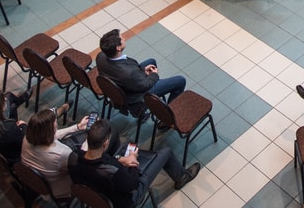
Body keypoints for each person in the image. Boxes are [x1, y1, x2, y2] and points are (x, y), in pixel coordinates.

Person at [68, 118, 199, 208]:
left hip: (99, 193)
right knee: (166, 153)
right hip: (125, 201)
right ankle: (182, 177)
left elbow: (104, 162)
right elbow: (133, 185)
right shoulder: (113, 172)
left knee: (122, 151)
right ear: (105, 143)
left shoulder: (73, 158)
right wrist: (133, 160)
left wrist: (120, 160)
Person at [94, 28, 187, 110]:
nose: (124, 38)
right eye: (122, 38)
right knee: (180, 80)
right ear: (118, 48)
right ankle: (167, 115)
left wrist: (142, 70)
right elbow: (144, 85)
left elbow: (131, 74)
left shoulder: (100, 56)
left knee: (151, 61)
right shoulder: (129, 73)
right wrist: (154, 75)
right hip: (137, 94)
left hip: (124, 83)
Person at [20, 108, 97, 202]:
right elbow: (82, 160)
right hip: (60, 191)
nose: (56, 123)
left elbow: (54, 136)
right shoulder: (63, 154)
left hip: (37, 179)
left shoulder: (26, 139)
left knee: (80, 133)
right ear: (49, 132)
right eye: (55, 123)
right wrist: (90, 139)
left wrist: (78, 127)